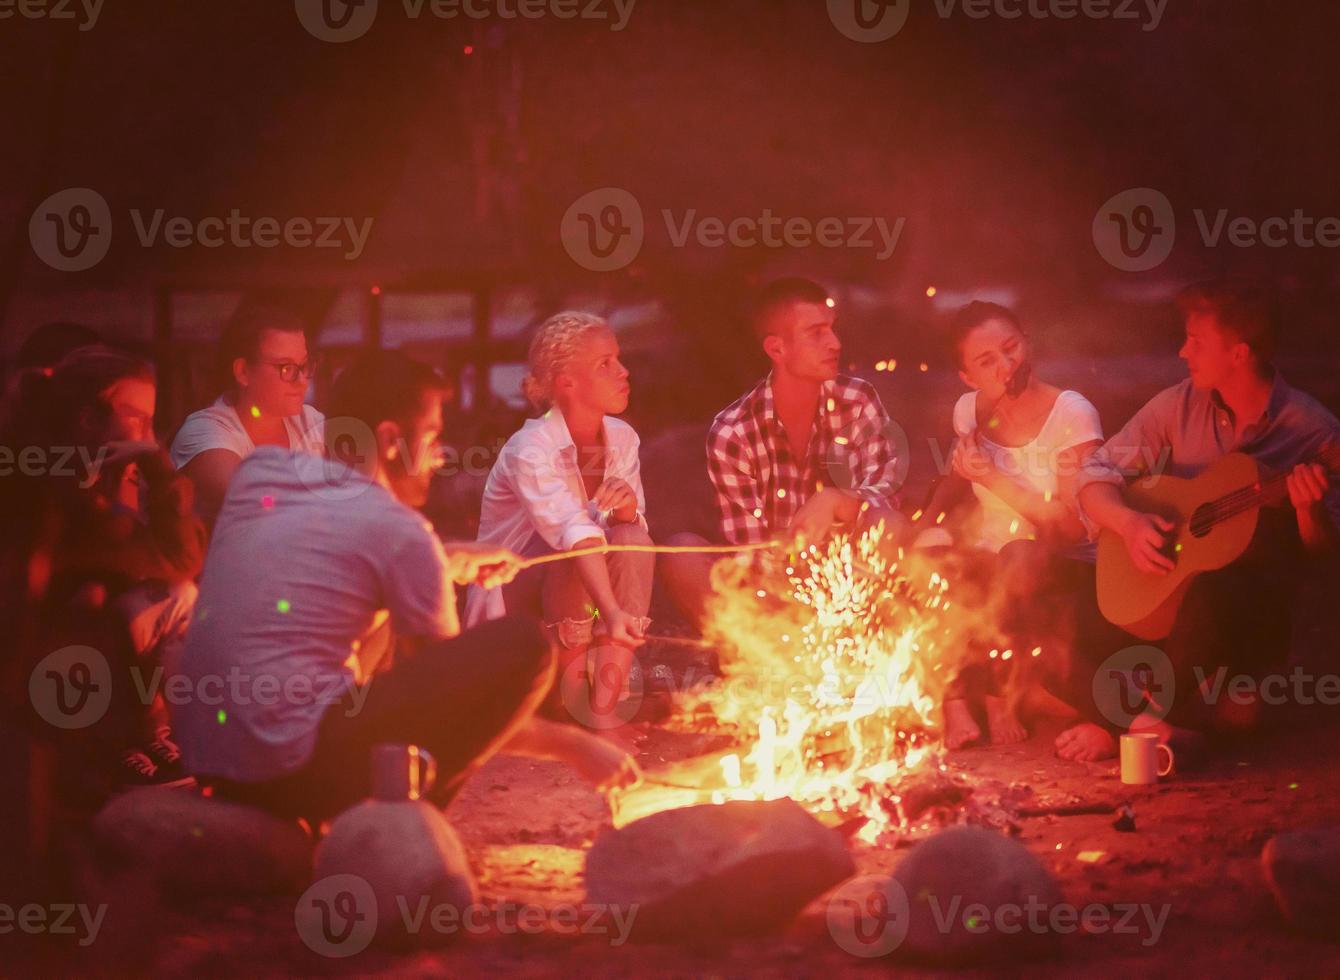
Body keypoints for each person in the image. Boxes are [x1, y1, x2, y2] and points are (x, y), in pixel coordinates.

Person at [173, 351, 640, 826]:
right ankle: (409, 824)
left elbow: (332, 550)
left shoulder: (262, 473)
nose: (441, 456)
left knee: (381, 627)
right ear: (393, 439)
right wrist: (576, 747)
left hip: (207, 754)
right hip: (292, 770)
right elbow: (459, 701)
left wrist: (442, 558)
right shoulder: (400, 530)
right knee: (525, 645)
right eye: (434, 437)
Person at [1054, 280, 1340, 763]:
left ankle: (1131, 721)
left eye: (1197, 342)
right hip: (1160, 603)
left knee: (1220, 587)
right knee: (1048, 621)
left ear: (1240, 354)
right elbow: (1093, 473)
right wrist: (1129, 524)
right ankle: (1148, 726)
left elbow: (1330, 556)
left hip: (1238, 625)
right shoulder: (1179, 404)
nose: (1182, 350)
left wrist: (1308, 509)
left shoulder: (1313, 430)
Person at [10, 344, 206, 791]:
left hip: (106, 652)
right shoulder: (55, 487)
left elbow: (181, 562)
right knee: (106, 602)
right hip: (49, 665)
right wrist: (156, 472)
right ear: (88, 420)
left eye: (151, 420)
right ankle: (106, 751)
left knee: (181, 597)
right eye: (135, 417)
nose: (147, 435)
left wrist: (153, 472)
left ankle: (159, 733)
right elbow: (175, 559)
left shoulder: (121, 478)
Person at [909, 302, 1105, 749]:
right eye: (986, 361)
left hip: (1062, 565)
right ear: (967, 377)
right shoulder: (969, 412)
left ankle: (1001, 695)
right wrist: (924, 523)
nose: (1006, 365)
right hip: (994, 558)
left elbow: (1074, 528)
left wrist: (991, 477)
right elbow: (958, 475)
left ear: (1027, 343)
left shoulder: (1071, 415)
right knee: (932, 557)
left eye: (1011, 348)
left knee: (1015, 557)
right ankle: (957, 700)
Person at [660, 277, 905, 627]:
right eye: (816, 333)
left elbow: (887, 501)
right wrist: (798, 602)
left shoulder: (857, 401)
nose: (834, 343)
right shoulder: (734, 431)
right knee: (681, 555)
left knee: (886, 523)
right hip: (773, 596)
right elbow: (750, 551)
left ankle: (866, 644)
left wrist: (837, 500)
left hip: (854, 581)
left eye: (832, 329)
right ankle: (761, 661)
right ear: (777, 349)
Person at [464, 312, 651, 724]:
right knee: (572, 548)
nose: (623, 371)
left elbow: (630, 542)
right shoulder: (529, 447)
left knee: (633, 535)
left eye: (618, 359)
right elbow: (573, 532)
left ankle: (603, 705)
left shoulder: (622, 438)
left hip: (582, 595)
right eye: (605, 364)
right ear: (567, 382)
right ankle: (566, 699)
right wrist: (612, 612)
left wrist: (626, 511)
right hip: (517, 606)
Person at [170, 307, 325, 526]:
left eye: (304, 365)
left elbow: (360, 488)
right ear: (243, 372)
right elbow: (252, 497)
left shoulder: (311, 423)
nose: (302, 381)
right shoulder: (205, 431)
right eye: (287, 368)